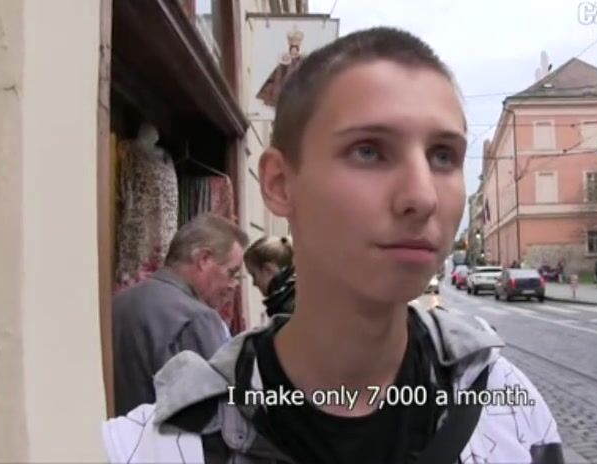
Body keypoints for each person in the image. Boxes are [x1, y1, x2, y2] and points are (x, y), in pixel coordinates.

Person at [102, 27, 563, 464]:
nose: (423, 196)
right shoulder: (150, 448)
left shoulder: (509, 409)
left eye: (443, 156)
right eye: (369, 151)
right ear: (280, 183)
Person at [110, 213, 249, 416]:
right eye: (231, 272)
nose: (233, 285)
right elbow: (219, 413)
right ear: (204, 259)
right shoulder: (197, 318)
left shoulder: (119, 302)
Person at [244, 235, 296, 317]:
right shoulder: (296, 296)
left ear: (267, 269)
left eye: (254, 275)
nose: (254, 283)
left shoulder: (286, 310)